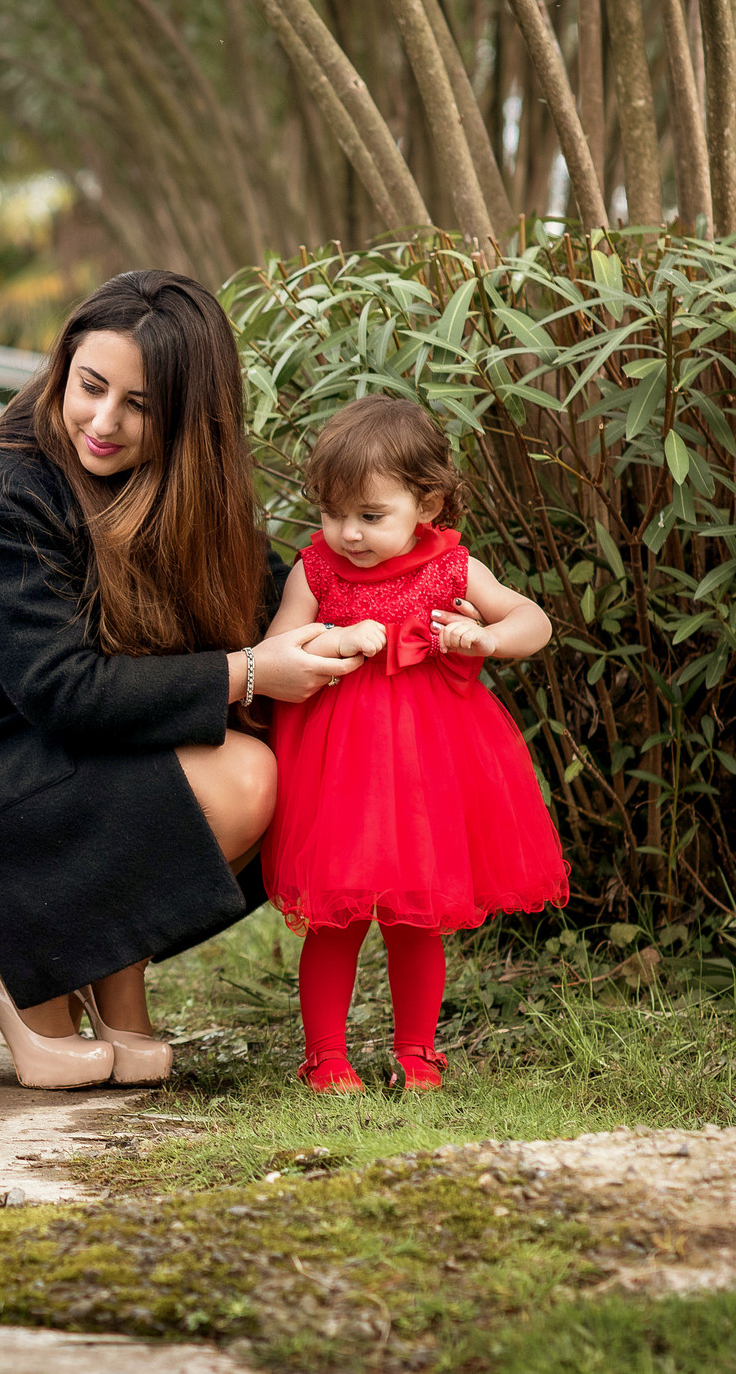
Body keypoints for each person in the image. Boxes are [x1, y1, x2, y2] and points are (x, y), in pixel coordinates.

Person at [0, 271, 360, 1090]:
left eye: (139, 405)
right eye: (91, 386)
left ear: (188, 419)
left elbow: (268, 591)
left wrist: (409, 593)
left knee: (304, 763)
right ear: (63, 367)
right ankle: (13, 957)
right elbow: (62, 690)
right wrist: (248, 672)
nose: (104, 421)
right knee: (243, 776)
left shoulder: (181, 489)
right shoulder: (6, 487)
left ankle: (107, 971)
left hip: (59, 754)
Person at [256, 395, 569, 1094]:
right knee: (336, 918)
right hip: (340, 771)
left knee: (417, 916)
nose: (348, 533)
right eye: (334, 513)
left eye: (371, 516)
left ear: (426, 503)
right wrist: (333, 638)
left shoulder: (453, 568)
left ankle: (418, 1052)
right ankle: (325, 1056)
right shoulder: (316, 570)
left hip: (430, 766)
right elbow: (274, 649)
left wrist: (487, 637)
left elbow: (533, 618)